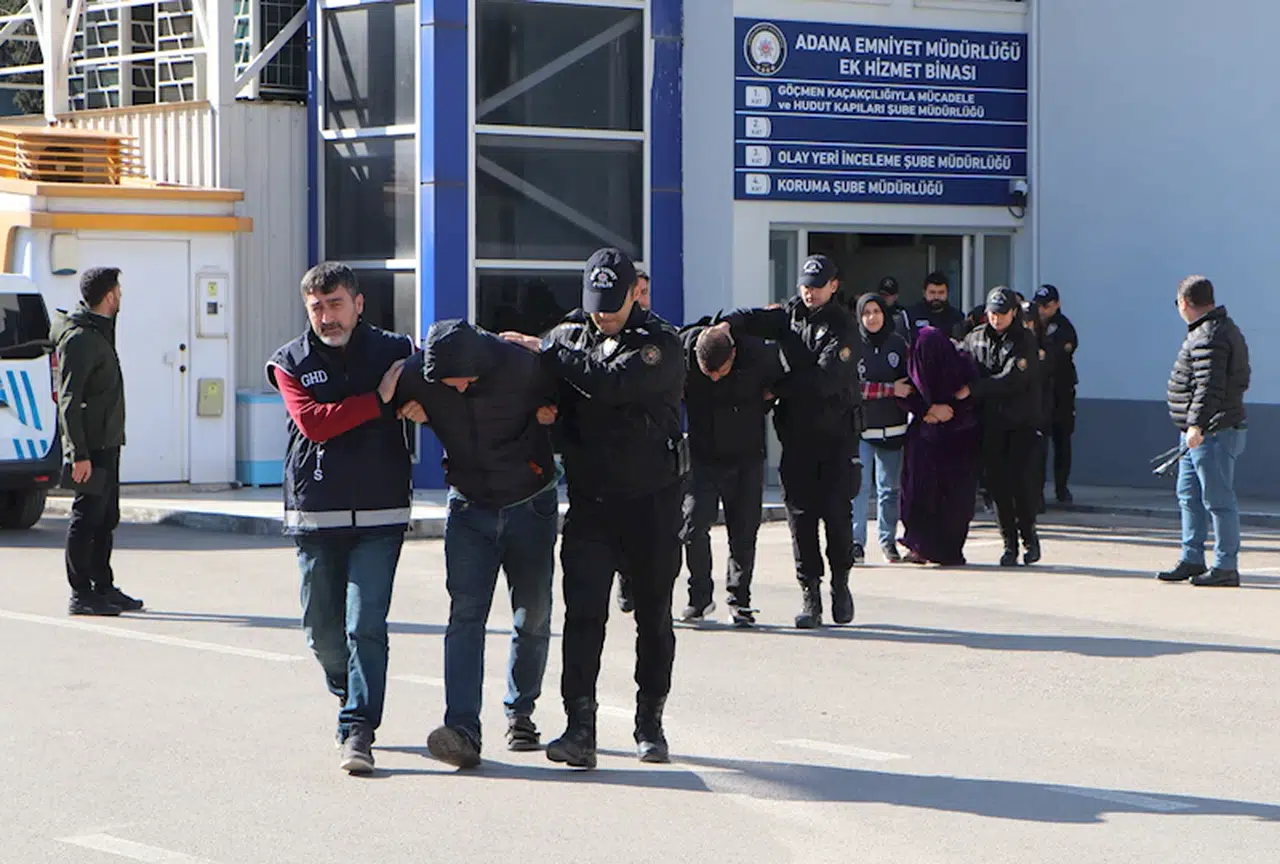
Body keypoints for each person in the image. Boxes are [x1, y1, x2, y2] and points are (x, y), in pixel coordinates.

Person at [501, 247, 686, 769]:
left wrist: (548, 352)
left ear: (634, 294)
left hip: (651, 502)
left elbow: (613, 384)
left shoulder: (660, 343)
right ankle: (580, 726)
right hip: (591, 501)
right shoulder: (569, 335)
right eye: (595, 303)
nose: (603, 314)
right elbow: (544, 394)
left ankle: (650, 720)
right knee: (583, 615)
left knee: (653, 616)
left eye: (613, 304)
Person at [265, 262, 422, 775]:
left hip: (382, 511)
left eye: (335, 304)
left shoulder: (396, 351)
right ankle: (347, 689)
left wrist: (418, 403)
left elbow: (431, 392)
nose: (327, 317)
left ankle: (358, 728)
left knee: (365, 625)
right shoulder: (289, 361)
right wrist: (379, 401)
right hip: (316, 513)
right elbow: (313, 423)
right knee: (322, 631)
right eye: (317, 308)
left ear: (358, 303)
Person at [393, 319, 560, 769]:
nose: (458, 389)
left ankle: (520, 713)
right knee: (465, 616)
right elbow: (384, 386)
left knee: (533, 611)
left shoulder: (522, 366)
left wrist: (553, 414)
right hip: (468, 506)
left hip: (530, 501)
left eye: (463, 380)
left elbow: (573, 393)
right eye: (447, 385)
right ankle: (462, 729)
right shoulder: (422, 375)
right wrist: (399, 399)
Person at [714, 254, 862, 629]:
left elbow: (825, 379)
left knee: (837, 516)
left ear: (833, 286)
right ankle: (810, 594)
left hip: (836, 440)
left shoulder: (844, 327)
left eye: (818, 286)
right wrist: (727, 325)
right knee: (800, 519)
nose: (810, 293)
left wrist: (777, 388)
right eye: (806, 286)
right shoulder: (790, 316)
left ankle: (840, 583)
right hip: (796, 438)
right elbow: (754, 318)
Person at [677, 318, 782, 627]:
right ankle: (699, 597)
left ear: (733, 355)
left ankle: (740, 600)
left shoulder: (755, 354)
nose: (713, 377)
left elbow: (777, 386)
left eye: (719, 371)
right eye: (706, 372)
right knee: (693, 525)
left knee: (744, 531)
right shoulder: (684, 351)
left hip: (746, 456)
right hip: (703, 457)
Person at [51, 267, 142, 617]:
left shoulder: (101, 329)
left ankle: (103, 585)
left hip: (108, 442)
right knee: (86, 518)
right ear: (109, 296)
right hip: (90, 448)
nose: (121, 296)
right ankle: (81, 593)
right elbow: (69, 400)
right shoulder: (81, 339)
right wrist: (78, 454)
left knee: (106, 517)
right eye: (118, 290)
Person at [1158, 275, 1250, 588]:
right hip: (1197, 433)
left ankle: (1225, 566)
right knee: (1189, 495)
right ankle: (1192, 557)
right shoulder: (1214, 330)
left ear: (1184, 303)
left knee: (1218, 500)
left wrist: (1197, 424)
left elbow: (1210, 385)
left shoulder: (1211, 335)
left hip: (1211, 432)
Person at [960, 287, 1042, 567]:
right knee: (997, 488)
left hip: (1020, 424)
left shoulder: (1024, 340)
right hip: (989, 425)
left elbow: (1012, 380)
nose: (997, 318)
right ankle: (1009, 545)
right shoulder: (976, 338)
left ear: (1013, 313)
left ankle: (1029, 537)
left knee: (1020, 484)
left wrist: (974, 389)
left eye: (1002, 313)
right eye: (993, 313)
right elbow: (961, 362)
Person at [898, 326, 982, 566]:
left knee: (954, 500)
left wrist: (951, 412)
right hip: (925, 439)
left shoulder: (962, 365)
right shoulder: (912, 367)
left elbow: (971, 398)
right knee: (918, 493)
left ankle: (947, 549)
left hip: (958, 441)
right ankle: (919, 546)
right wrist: (928, 410)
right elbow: (906, 393)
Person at [851, 294, 911, 564]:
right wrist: (888, 389)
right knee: (859, 488)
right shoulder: (853, 344)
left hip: (894, 428)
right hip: (863, 429)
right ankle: (856, 543)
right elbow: (853, 387)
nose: (872, 317)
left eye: (876, 311)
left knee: (889, 490)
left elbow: (909, 383)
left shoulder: (898, 344)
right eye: (866, 313)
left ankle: (888, 541)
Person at [1034, 284, 1079, 504]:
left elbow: (1058, 353)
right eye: (1039, 305)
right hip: (1039, 392)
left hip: (1061, 392)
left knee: (1062, 440)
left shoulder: (1064, 327)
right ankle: (1037, 491)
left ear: (1057, 304)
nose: (1042, 310)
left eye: (1047, 305)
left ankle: (1062, 488)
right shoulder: (1031, 324)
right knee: (1038, 443)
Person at [908, 272, 966, 338]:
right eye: (932, 292)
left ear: (947, 293)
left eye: (941, 292)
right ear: (924, 293)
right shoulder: (911, 315)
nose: (936, 297)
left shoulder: (957, 317)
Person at [877, 276, 914, 343]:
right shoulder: (874, 313)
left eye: (887, 295)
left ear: (896, 296)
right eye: (882, 294)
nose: (884, 297)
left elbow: (908, 338)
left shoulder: (902, 313)